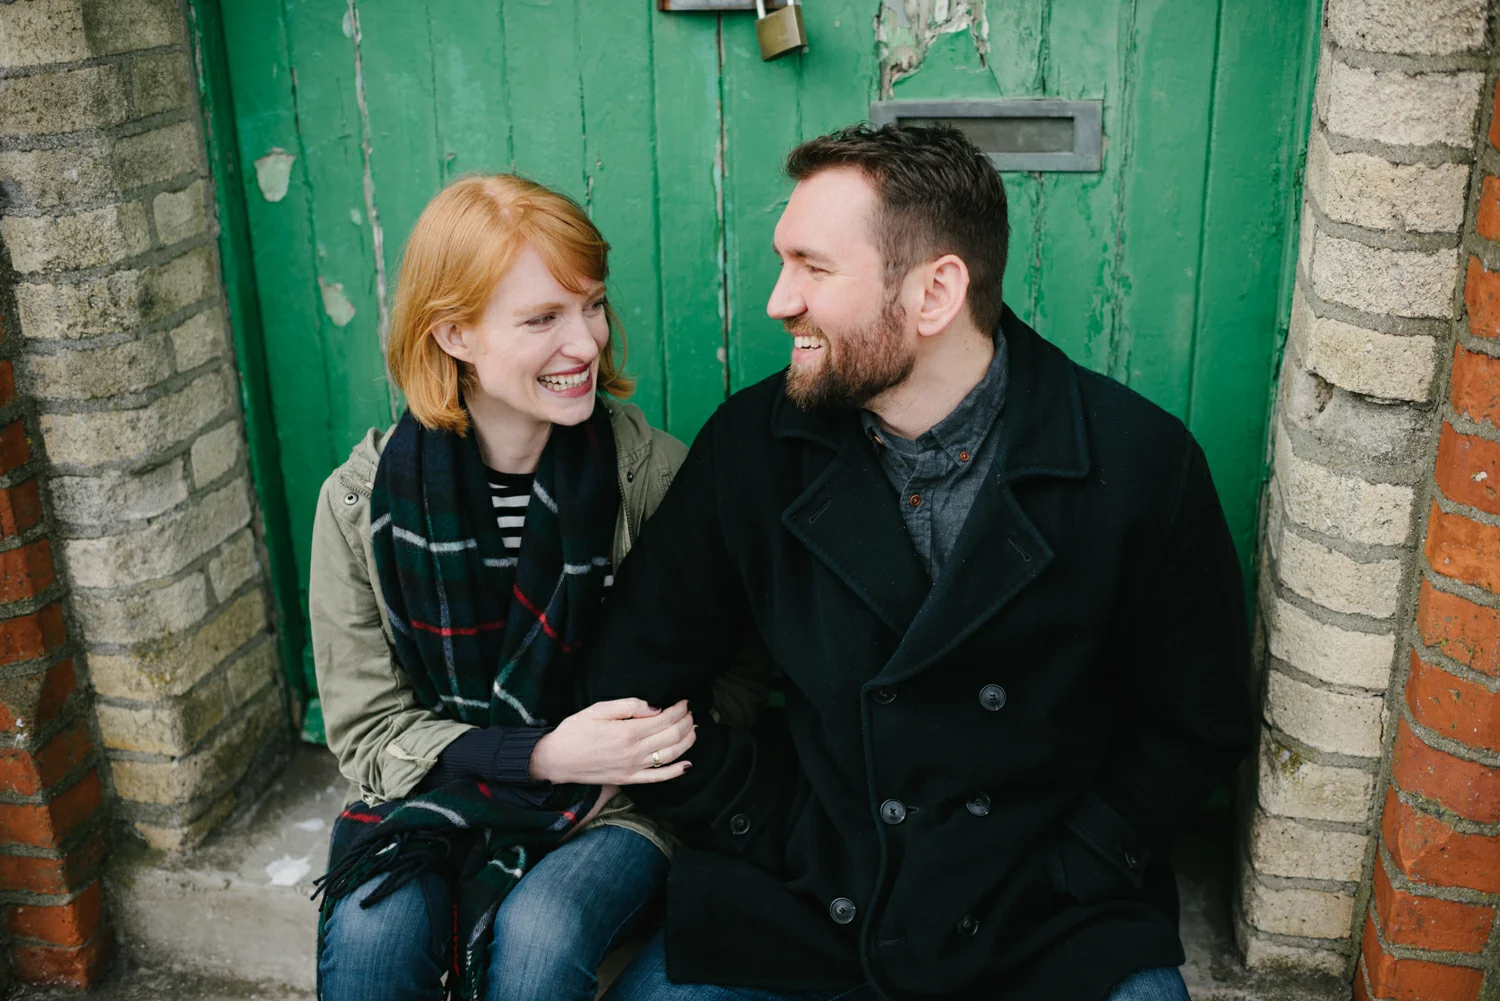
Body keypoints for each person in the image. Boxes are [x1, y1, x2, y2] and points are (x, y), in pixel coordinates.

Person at [588, 124, 1256, 1001]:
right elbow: (636, 672)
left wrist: (1082, 860)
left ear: (936, 291)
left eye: (814, 268)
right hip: (809, 888)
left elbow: (1195, 719)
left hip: (1041, 908)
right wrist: (768, 819)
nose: (778, 301)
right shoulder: (754, 449)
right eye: (783, 261)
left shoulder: (1135, 462)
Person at [307, 174, 761, 1001]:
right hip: (436, 793)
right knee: (374, 931)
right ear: (454, 334)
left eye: (590, 305)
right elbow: (369, 735)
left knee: (540, 936)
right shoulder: (358, 502)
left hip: (617, 805)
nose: (586, 342)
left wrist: (635, 750)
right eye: (542, 318)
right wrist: (545, 754)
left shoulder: (649, 475)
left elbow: (738, 678)